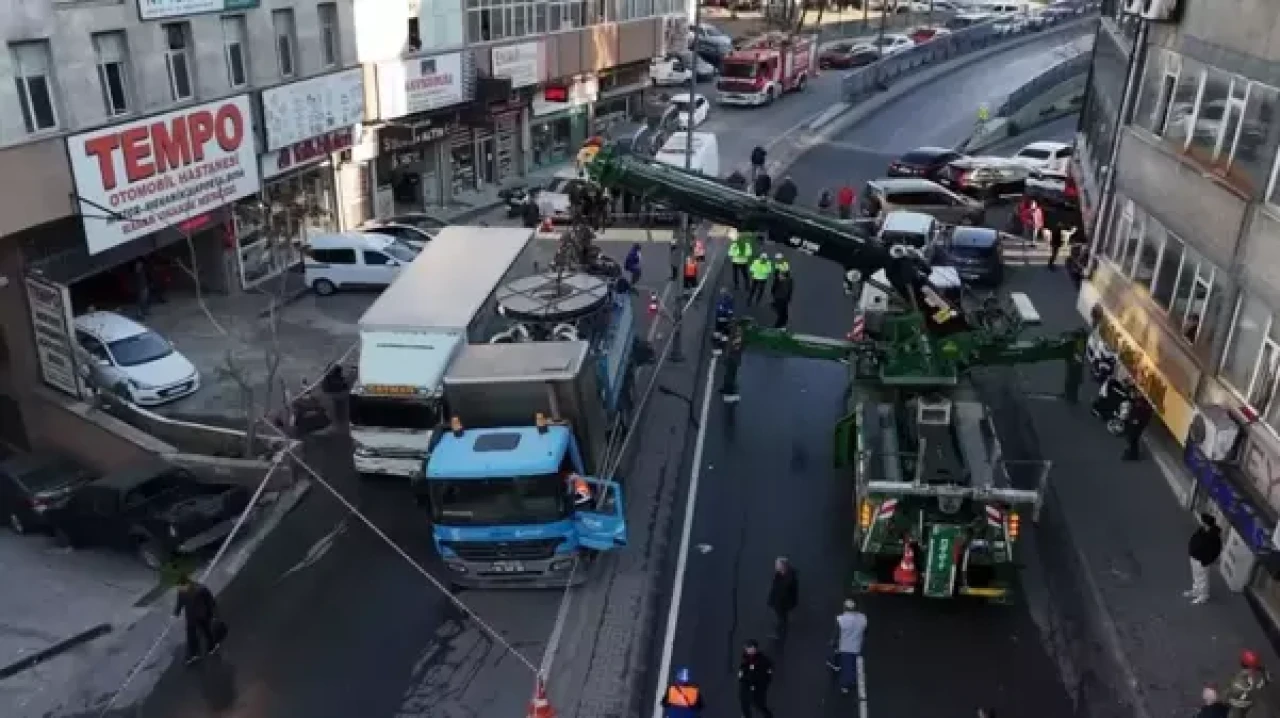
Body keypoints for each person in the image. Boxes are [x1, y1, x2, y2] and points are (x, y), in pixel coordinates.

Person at [174, 575, 222, 665]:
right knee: (191, 635)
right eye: (179, 587)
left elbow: (210, 601)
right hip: (191, 617)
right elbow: (180, 602)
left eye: (181, 587)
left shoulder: (201, 589)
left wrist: (214, 614)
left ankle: (212, 645)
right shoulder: (181, 591)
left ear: (187, 584)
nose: (179, 589)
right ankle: (194, 654)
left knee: (206, 631)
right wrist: (176, 612)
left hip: (203, 615)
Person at [826, 599, 868, 695]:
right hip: (857, 646)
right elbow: (865, 631)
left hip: (845, 647)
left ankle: (845, 685)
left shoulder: (841, 619)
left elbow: (836, 633)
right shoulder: (862, 618)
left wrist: (832, 642)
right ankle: (851, 680)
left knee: (847, 667)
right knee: (853, 664)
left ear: (845, 607)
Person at [1186, 513, 1223, 605]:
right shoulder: (1202, 530)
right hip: (1194, 557)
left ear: (1207, 524)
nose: (1202, 523)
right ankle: (1196, 590)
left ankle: (1203, 596)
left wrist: (1206, 560)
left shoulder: (1214, 537)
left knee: (1202, 579)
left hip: (1202, 561)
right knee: (1196, 576)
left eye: (1203, 522)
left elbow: (1215, 551)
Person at [1227, 650, 1270, 718]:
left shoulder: (1236, 676)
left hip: (1234, 702)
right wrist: (1265, 675)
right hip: (1247, 702)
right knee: (1245, 712)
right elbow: (1263, 683)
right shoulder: (1254, 680)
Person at [738, 639, 775, 718]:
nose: (749, 650)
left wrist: (764, 681)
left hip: (758, 686)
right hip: (747, 686)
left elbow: (769, 670)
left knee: (759, 704)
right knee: (745, 704)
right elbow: (741, 672)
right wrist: (742, 678)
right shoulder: (745, 660)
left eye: (751, 648)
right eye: (747, 648)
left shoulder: (762, 660)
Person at [767, 557, 799, 639]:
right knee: (781, 617)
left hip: (783, 603)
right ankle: (781, 630)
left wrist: (775, 602)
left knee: (782, 619)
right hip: (780, 602)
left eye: (777, 565)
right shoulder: (779, 574)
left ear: (783, 566)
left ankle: (781, 634)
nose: (775, 566)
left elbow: (782, 592)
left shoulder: (789, 579)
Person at [1122, 393, 1153, 461]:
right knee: (1133, 438)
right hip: (1137, 420)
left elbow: (1141, 413)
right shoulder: (1139, 401)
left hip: (1138, 421)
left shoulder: (1142, 403)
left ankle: (1133, 455)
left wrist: (1135, 421)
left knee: (1132, 437)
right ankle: (1133, 453)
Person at [321, 364, 350, 429]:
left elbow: (343, 385)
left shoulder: (329, 377)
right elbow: (343, 385)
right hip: (335, 393)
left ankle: (340, 420)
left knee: (339, 407)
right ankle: (340, 420)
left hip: (335, 393)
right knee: (339, 406)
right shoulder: (330, 378)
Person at [771, 264, 794, 330]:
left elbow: (789, 290)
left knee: (784, 316)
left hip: (782, 299)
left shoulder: (788, 281)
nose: (779, 276)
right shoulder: (787, 280)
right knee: (783, 316)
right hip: (781, 299)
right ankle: (777, 327)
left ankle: (778, 327)